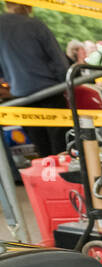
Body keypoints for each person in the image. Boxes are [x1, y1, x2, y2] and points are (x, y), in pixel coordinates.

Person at [0, 3, 70, 158]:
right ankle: (64, 179)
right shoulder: (35, 25)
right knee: (61, 146)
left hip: (20, 97)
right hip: (50, 92)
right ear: (27, 6)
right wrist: (65, 85)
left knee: (41, 146)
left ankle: (47, 178)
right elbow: (59, 61)